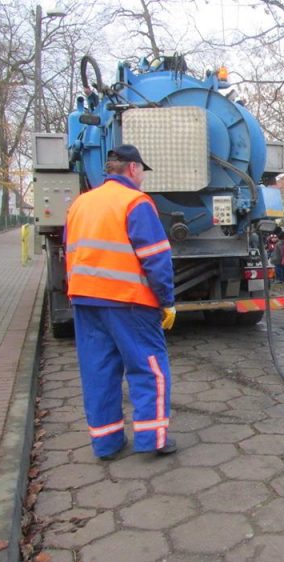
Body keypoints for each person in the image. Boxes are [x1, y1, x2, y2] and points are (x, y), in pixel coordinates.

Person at [65, 144, 177, 460]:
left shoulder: (80, 204)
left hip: (85, 300)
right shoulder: (136, 203)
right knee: (149, 368)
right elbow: (156, 258)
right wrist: (166, 300)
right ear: (132, 169)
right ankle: (152, 439)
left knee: (98, 371)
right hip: (130, 302)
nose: (142, 177)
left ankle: (106, 443)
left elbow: (70, 249)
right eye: (142, 170)